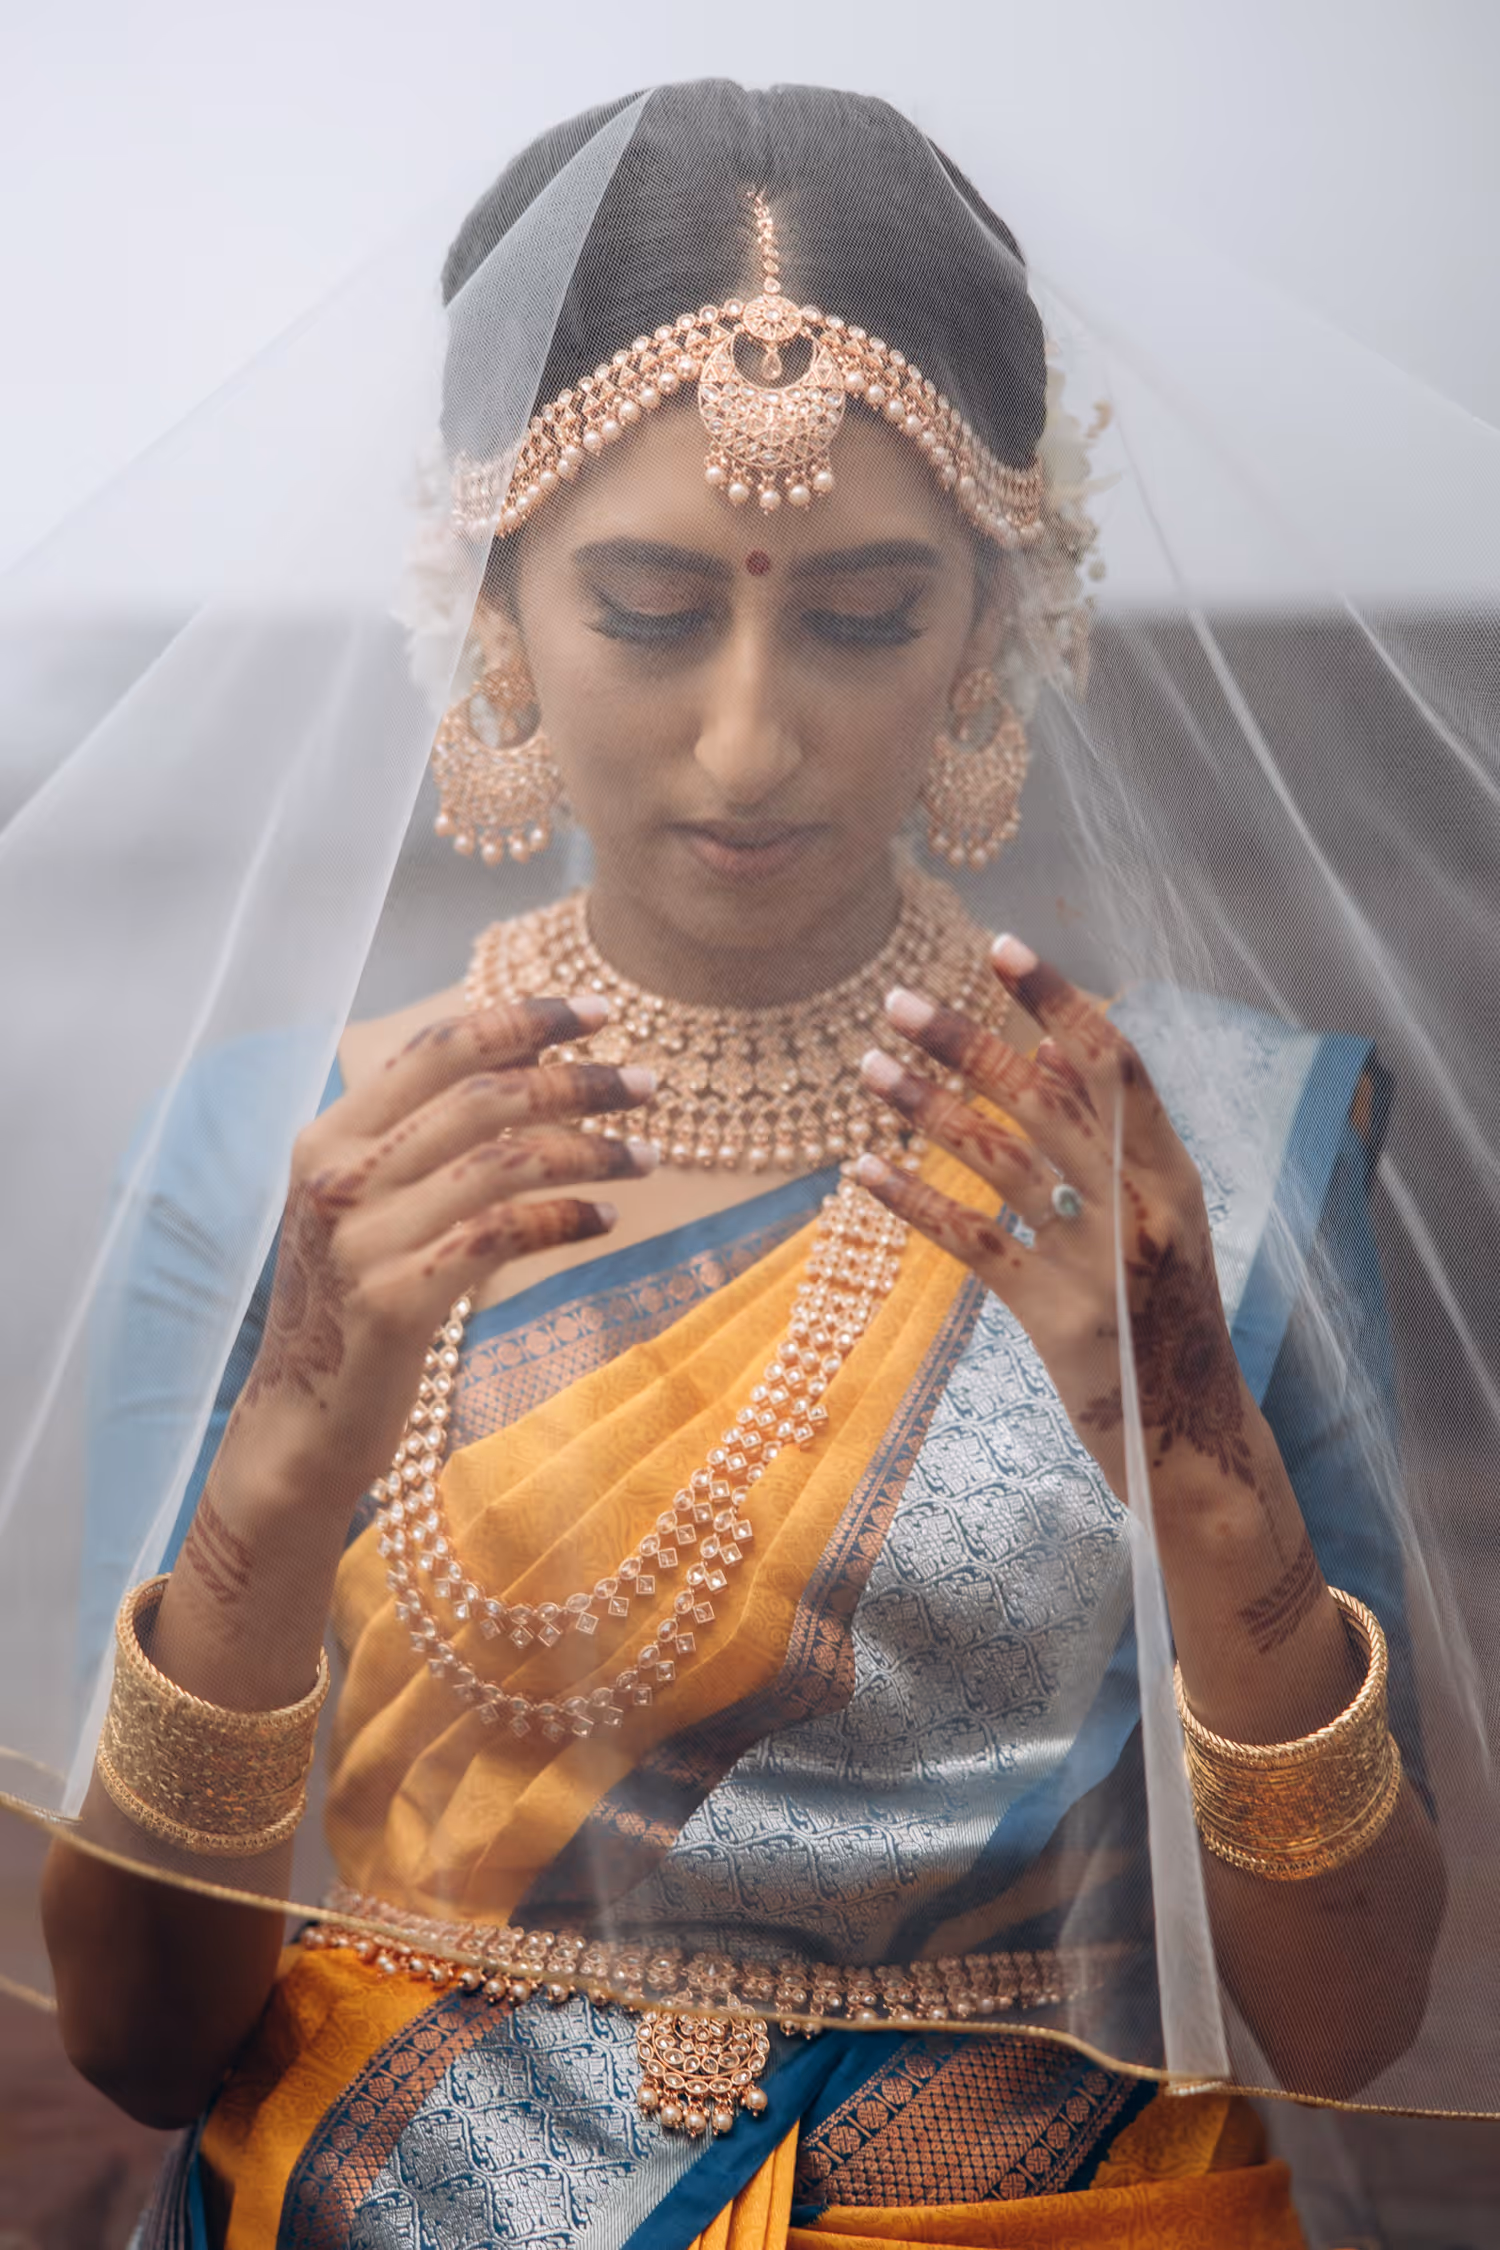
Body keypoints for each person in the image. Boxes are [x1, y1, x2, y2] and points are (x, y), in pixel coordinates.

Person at [23, 78, 1465, 2250]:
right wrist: (278, 1490)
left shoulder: (1190, 1166)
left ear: (992, 619)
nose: (751, 738)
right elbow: (142, 2038)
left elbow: (1351, 2017)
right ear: (491, 595)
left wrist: (1194, 1465)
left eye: (864, 617)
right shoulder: (299, 1168)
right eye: (650, 607)